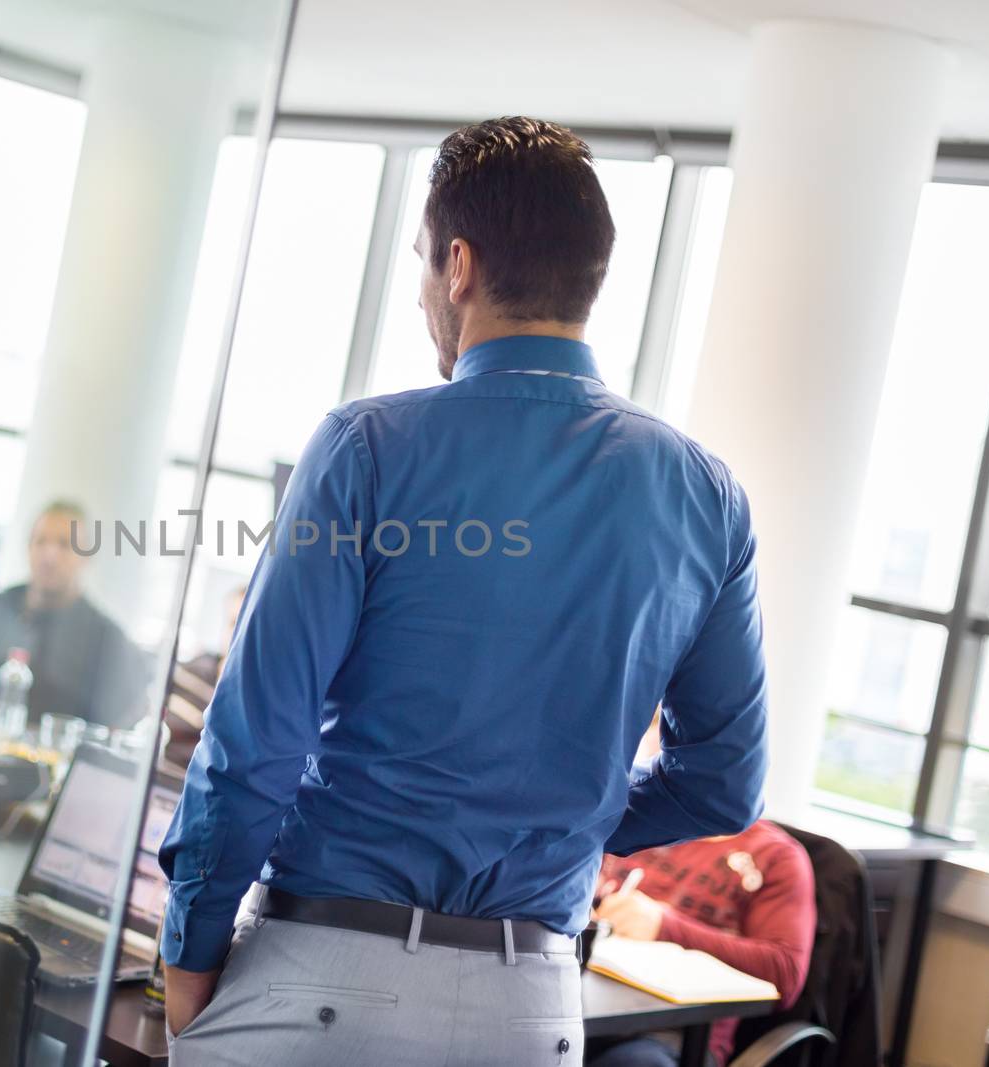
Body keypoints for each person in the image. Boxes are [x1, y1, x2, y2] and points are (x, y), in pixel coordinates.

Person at [158, 117, 769, 1066]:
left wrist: (189, 950)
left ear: (459, 264)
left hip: (325, 980)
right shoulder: (706, 494)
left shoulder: (366, 449)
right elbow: (723, 780)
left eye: (419, 264)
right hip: (530, 1014)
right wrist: (576, 811)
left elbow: (255, 744)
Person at [588, 820, 815, 1067]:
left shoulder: (775, 857)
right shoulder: (638, 817)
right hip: (591, 1003)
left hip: (679, 1034)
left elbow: (785, 971)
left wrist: (666, 928)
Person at [0, 500, 150, 730]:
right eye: (41, 541)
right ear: (28, 547)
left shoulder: (106, 639)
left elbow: (113, 727)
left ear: (87, 556)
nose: (49, 555)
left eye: (64, 545)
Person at [162, 585, 245, 770]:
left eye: (248, 626)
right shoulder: (184, 675)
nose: (239, 634)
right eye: (233, 623)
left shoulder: (267, 701)